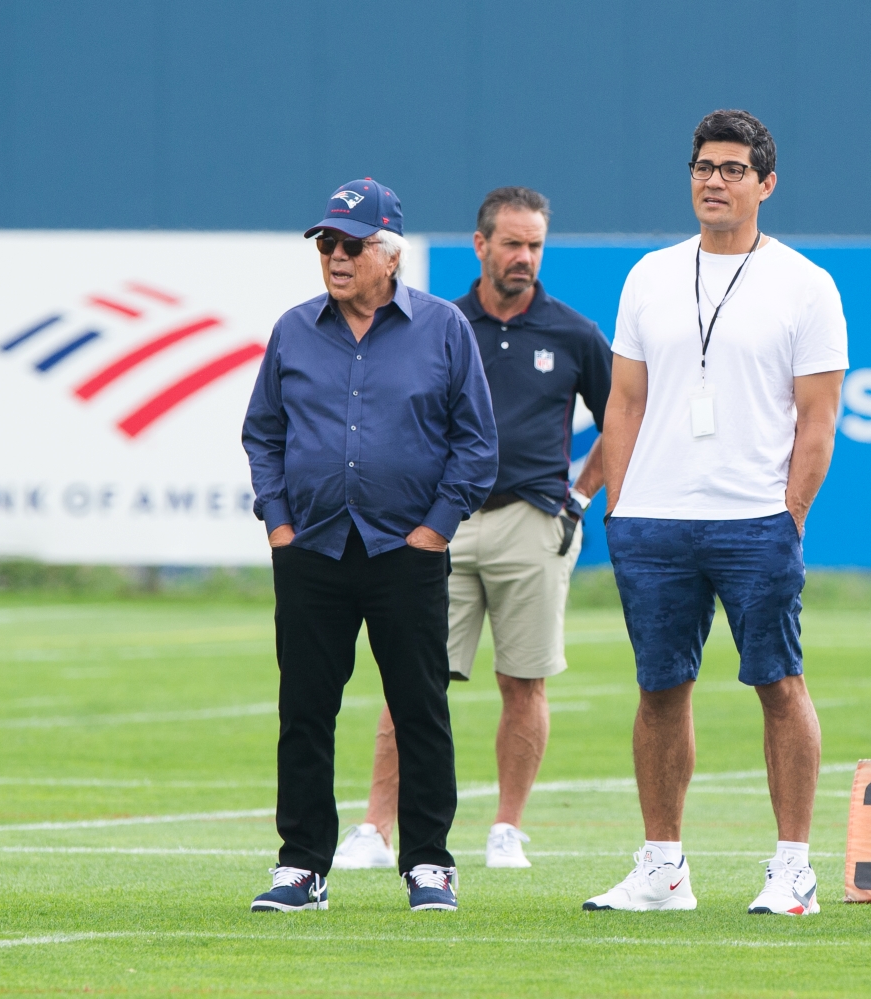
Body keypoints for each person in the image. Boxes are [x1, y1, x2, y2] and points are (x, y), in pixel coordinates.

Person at [585, 109, 847, 915]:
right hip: (653, 520)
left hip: (753, 519)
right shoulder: (649, 276)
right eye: (704, 166)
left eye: (733, 169)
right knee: (659, 689)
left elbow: (818, 417)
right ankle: (662, 867)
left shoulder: (805, 284)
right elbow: (623, 401)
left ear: (765, 184)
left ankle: (793, 865)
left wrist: (788, 512)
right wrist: (621, 505)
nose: (714, 181)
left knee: (778, 682)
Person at [332, 187, 613, 873]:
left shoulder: (572, 332)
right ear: (480, 244)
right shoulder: (434, 324)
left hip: (532, 522)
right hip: (440, 526)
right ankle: (374, 826)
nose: (524, 258)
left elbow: (623, 420)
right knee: (412, 677)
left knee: (524, 681)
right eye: (512, 243)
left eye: (535, 245)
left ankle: (506, 828)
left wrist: (578, 497)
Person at [242, 179, 498, 913]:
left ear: (390, 255)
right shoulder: (294, 328)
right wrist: (279, 524)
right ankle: (301, 865)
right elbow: (263, 432)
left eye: (350, 244)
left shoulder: (444, 328)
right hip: (312, 549)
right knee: (305, 709)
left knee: (419, 706)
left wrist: (432, 532)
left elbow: (476, 446)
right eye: (326, 243)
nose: (335, 256)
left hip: (405, 552)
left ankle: (428, 862)